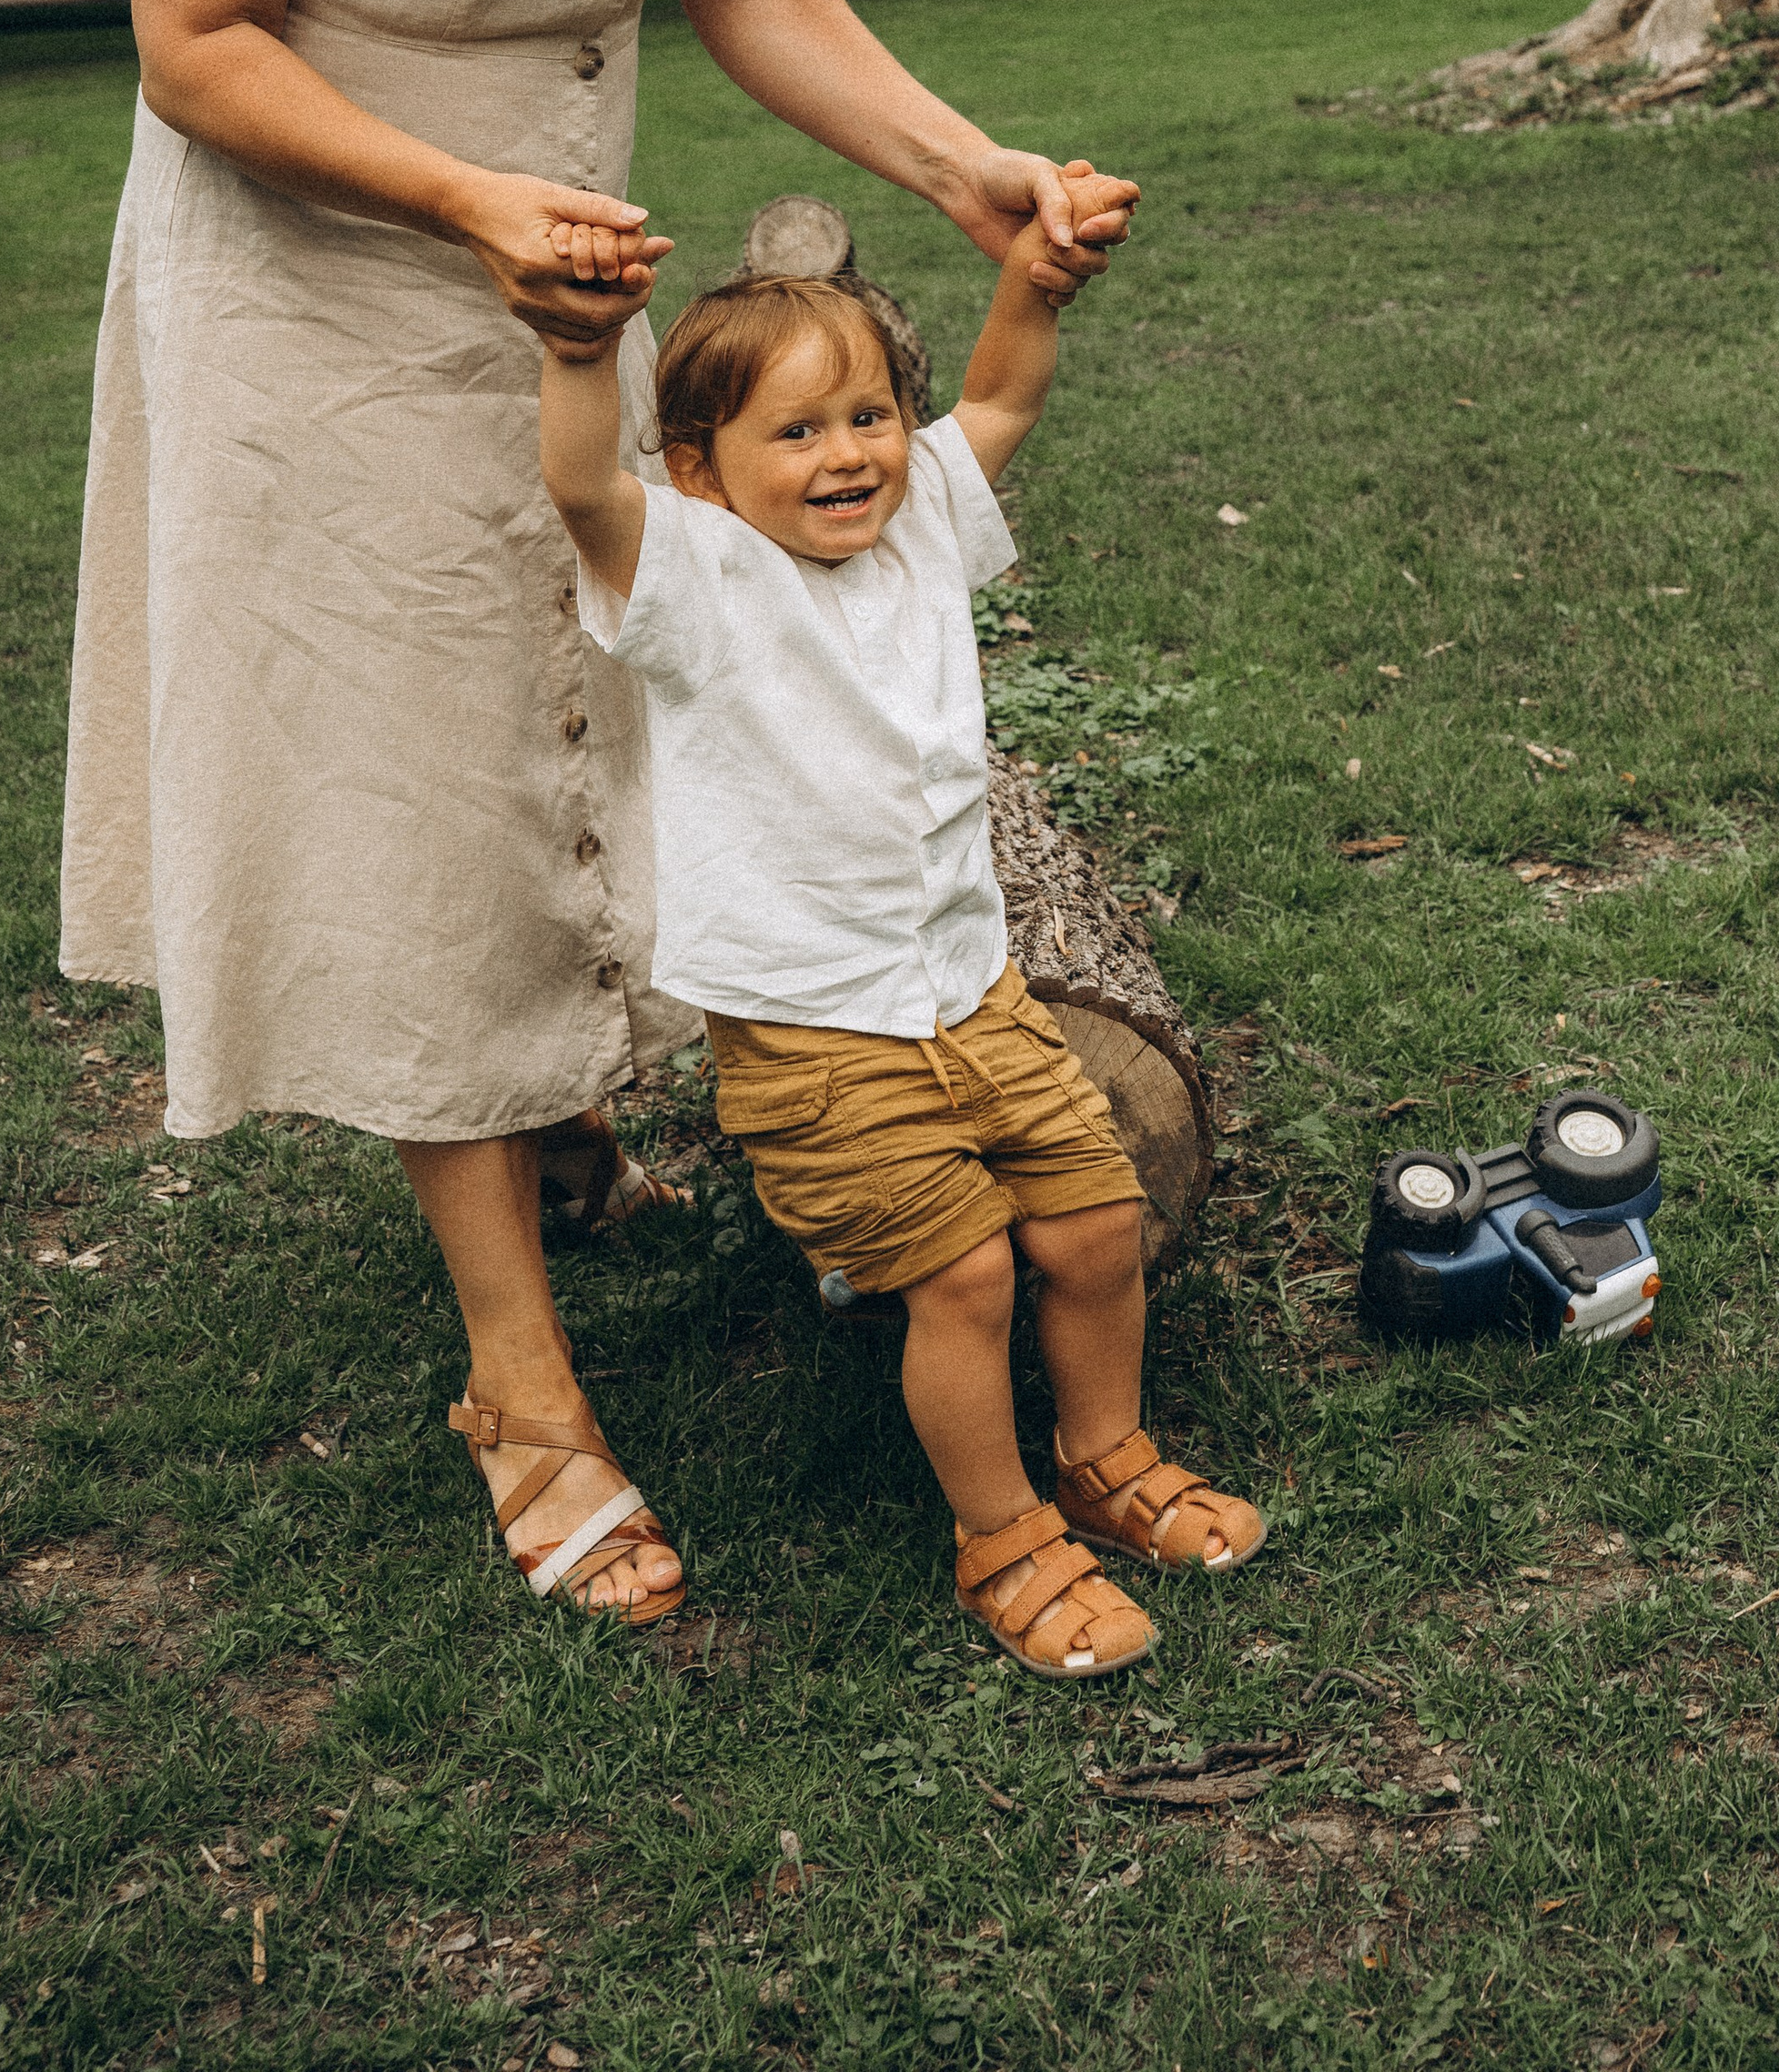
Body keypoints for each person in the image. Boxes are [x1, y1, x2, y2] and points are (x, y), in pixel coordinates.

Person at [60, 0, 1136, 1627]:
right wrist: (463, 195)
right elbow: (190, 34)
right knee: (430, 789)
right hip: (326, 270)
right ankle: (522, 1386)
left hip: (573, 268)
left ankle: (574, 1126)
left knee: (615, 708)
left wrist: (966, 167)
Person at [537, 243, 1268, 1679]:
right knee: (967, 1278)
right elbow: (579, 487)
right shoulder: (697, 576)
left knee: (1097, 1227)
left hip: (974, 991)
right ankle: (1002, 1539)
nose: (849, 454)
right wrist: (575, 351)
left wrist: (1033, 281)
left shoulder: (920, 519)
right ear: (699, 470)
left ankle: (1107, 1459)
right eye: (797, 432)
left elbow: (1000, 399)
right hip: (816, 1035)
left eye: (868, 414)